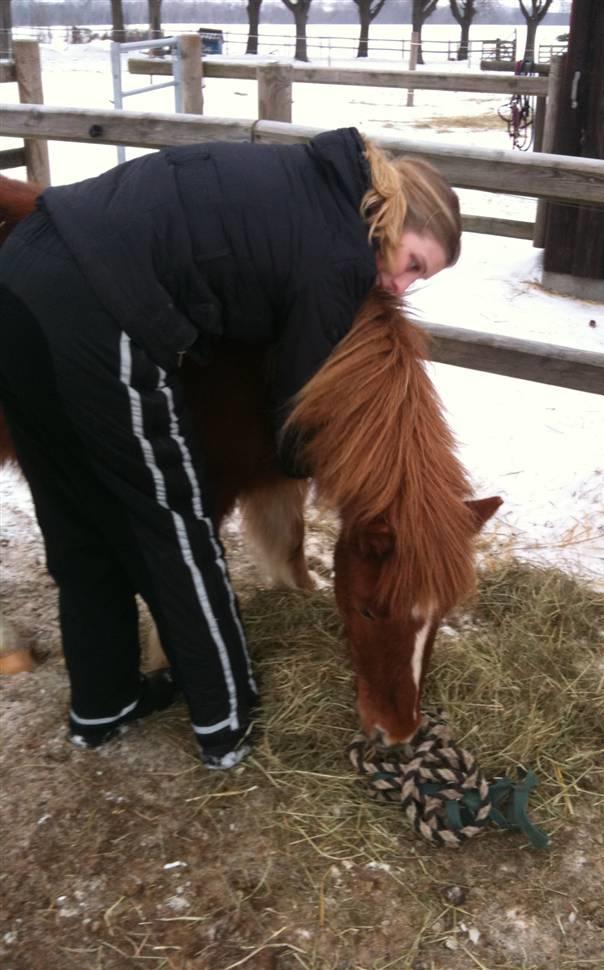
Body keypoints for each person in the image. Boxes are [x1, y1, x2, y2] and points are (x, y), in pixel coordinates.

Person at [0, 128, 461, 769]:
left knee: (73, 512)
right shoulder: (337, 257)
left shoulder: (315, 179)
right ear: (394, 221)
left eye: (421, 280)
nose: (401, 287)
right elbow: (293, 412)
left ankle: (101, 707)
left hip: (23, 269)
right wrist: (316, 466)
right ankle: (226, 723)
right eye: (413, 263)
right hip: (99, 305)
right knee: (173, 520)